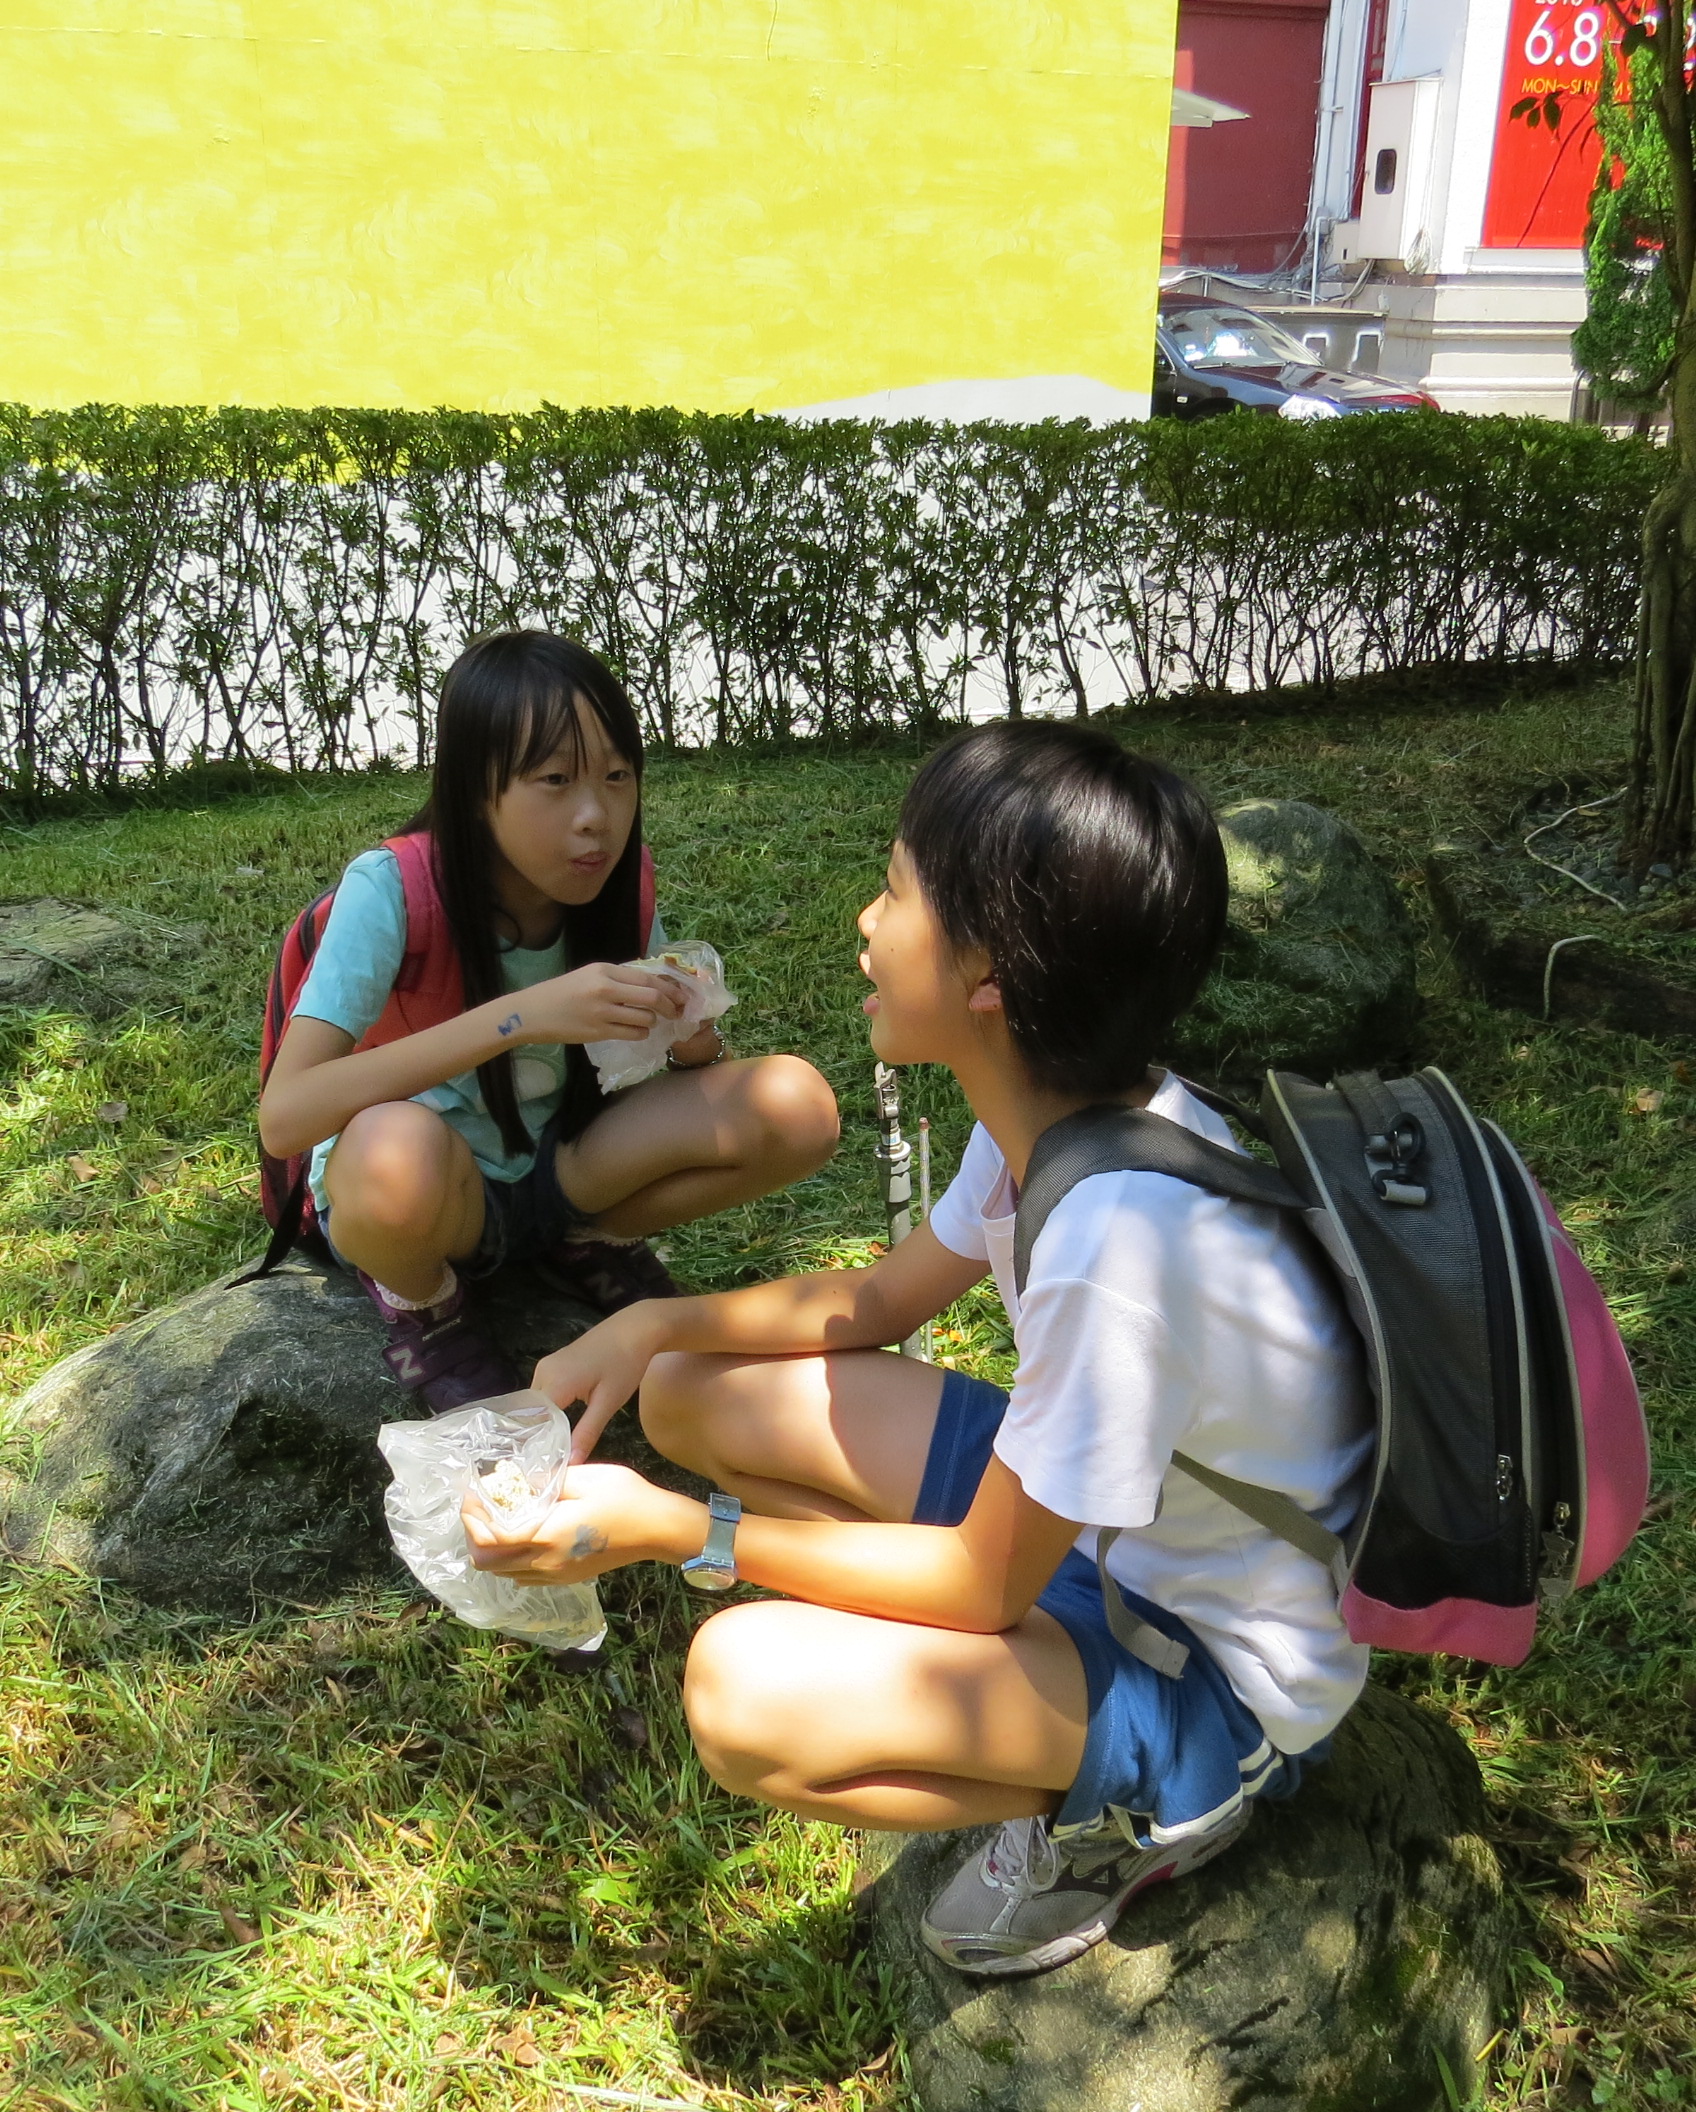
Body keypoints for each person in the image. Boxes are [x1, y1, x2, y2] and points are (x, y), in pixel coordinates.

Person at [463, 721, 1372, 1977]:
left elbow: (984, 1587)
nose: (864, 920)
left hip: (1207, 1663)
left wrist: (679, 1531)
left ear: (988, 969)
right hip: (1101, 1535)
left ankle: (1129, 1815)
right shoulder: (1061, 1111)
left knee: (738, 1695)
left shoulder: (1119, 1245)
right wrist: (655, 1320)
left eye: (894, 892)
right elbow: (880, 1302)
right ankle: (955, 1686)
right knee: (687, 1393)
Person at [258, 631, 840, 1412]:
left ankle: (589, 1243)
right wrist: (522, 1017)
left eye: (617, 776)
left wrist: (689, 1044)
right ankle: (426, 1305)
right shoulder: (392, 890)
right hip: (436, 1191)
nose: (595, 817)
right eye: (556, 781)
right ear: (476, 790)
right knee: (393, 1158)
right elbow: (286, 1116)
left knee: (795, 1106)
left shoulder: (619, 886)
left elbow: (648, 1072)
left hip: (563, 1173)